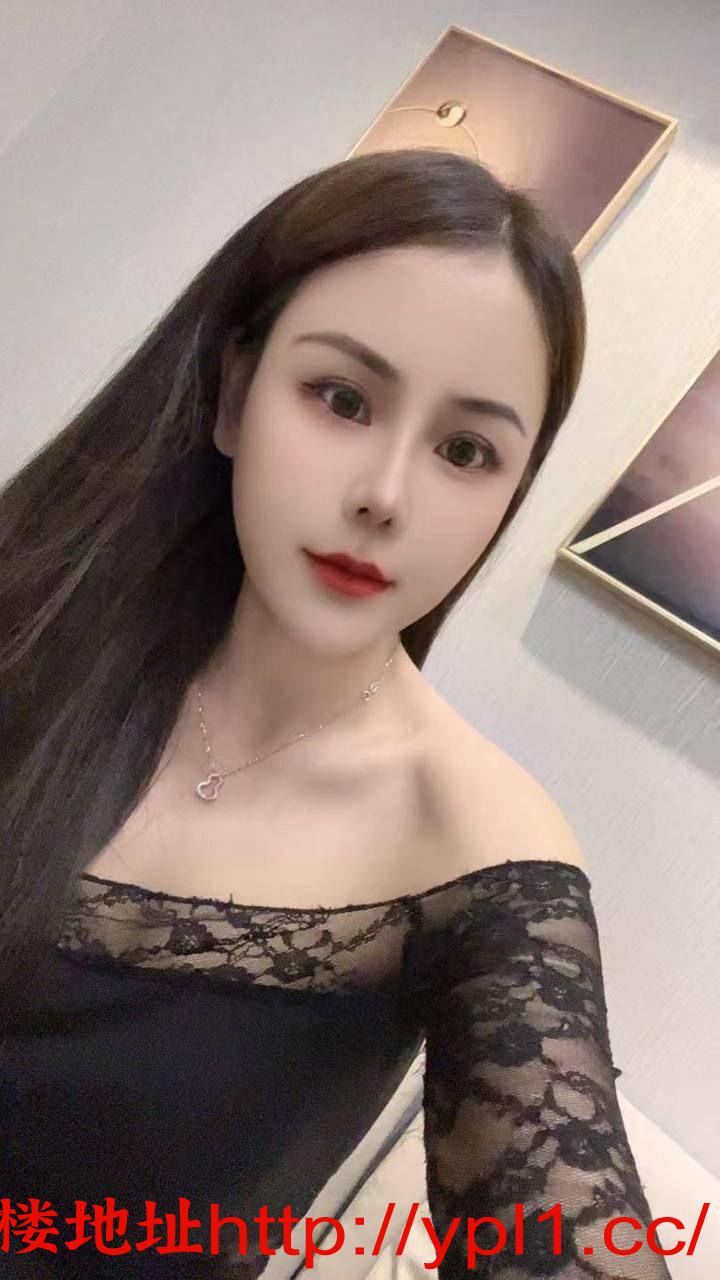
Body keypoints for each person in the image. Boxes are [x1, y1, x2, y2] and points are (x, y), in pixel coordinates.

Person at [0, 149, 672, 1278]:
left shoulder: (474, 844)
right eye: (342, 398)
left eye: (466, 450)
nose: (385, 495)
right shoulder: (38, 622)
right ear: (232, 395)